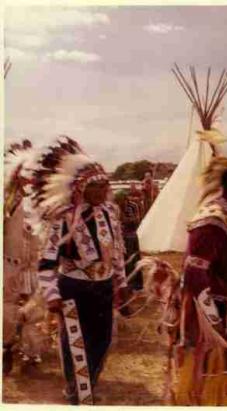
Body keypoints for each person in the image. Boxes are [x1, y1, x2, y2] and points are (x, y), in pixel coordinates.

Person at [30, 136, 130, 405]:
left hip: (103, 286)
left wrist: (121, 282)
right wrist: (51, 294)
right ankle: (76, 389)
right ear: (80, 188)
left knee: (103, 339)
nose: (101, 191)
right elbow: (47, 261)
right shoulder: (62, 217)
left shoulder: (109, 212)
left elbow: (116, 250)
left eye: (104, 185)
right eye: (95, 186)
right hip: (74, 287)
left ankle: (90, 382)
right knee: (74, 341)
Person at [171, 156, 227, 405]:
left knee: (223, 370)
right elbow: (194, 276)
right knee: (205, 374)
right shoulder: (210, 223)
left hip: (224, 309)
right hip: (206, 313)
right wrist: (213, 320)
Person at [3, 140, 46, 369]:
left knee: (35, 308)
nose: (30, 178)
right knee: (7, 308)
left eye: (32, 174)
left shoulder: (38, 202)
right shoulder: (7, 200)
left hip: (34, 265)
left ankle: (31, 351)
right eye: (25, 173)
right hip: (9, 263)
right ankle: (5, 347)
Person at [116, 189, 143, 291]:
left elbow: (136, 220)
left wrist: (123, 219)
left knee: (133, 260)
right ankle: (125, 284)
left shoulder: (132, 206)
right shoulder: (115, 207)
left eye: (120, 200)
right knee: (122, 261)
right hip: (120, 237)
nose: (119, 203)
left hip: (131, 236)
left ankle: (135, 285)